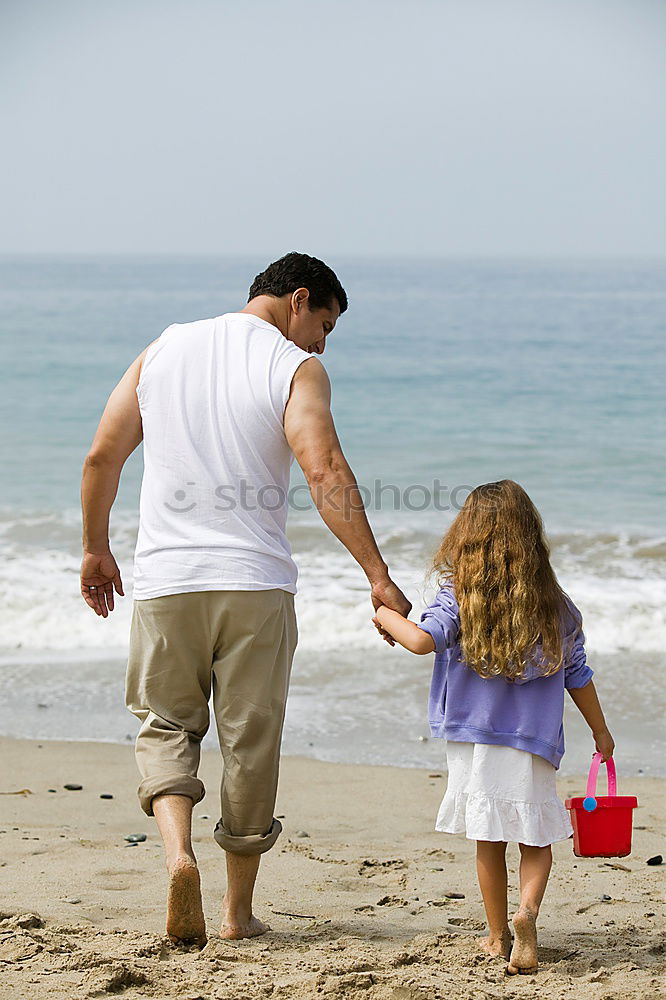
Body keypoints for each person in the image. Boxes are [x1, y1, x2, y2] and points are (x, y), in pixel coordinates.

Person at [79, 251, 411, 946]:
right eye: (323, 323)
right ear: (297, 299)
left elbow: (102, 457)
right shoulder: (293, 367)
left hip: (167, 581)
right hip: (254, 585)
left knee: (166, 728)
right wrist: (376, 574)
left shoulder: (162, 350)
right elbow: (323, 469)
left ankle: (178, 858)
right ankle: (235, 914)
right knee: (249, 748)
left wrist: (96, 548)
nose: (322, 342)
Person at [372, 480, 614, 976]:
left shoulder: (460, 596)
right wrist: (601, 733)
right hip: (534, 742)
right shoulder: (557, 606)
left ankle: (498, 934)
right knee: (536, 838)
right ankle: (528, 913)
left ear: (467, 536)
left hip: (474, 738)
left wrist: (382, 614)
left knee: (489, 839)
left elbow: (420, 642)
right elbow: (578, 676)